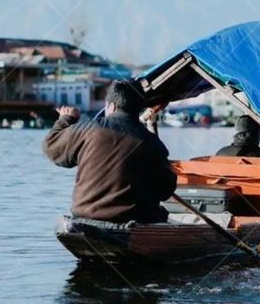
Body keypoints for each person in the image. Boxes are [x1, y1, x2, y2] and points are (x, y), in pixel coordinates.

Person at [43, 79, 176, 223]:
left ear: (111, 107)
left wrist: (66, 118)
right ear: (138, 109)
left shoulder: (89, 128)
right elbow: (165, 190)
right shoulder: (152, 143)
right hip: (132, 220)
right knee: (161, 213)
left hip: (85, 216)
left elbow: (51, 147)